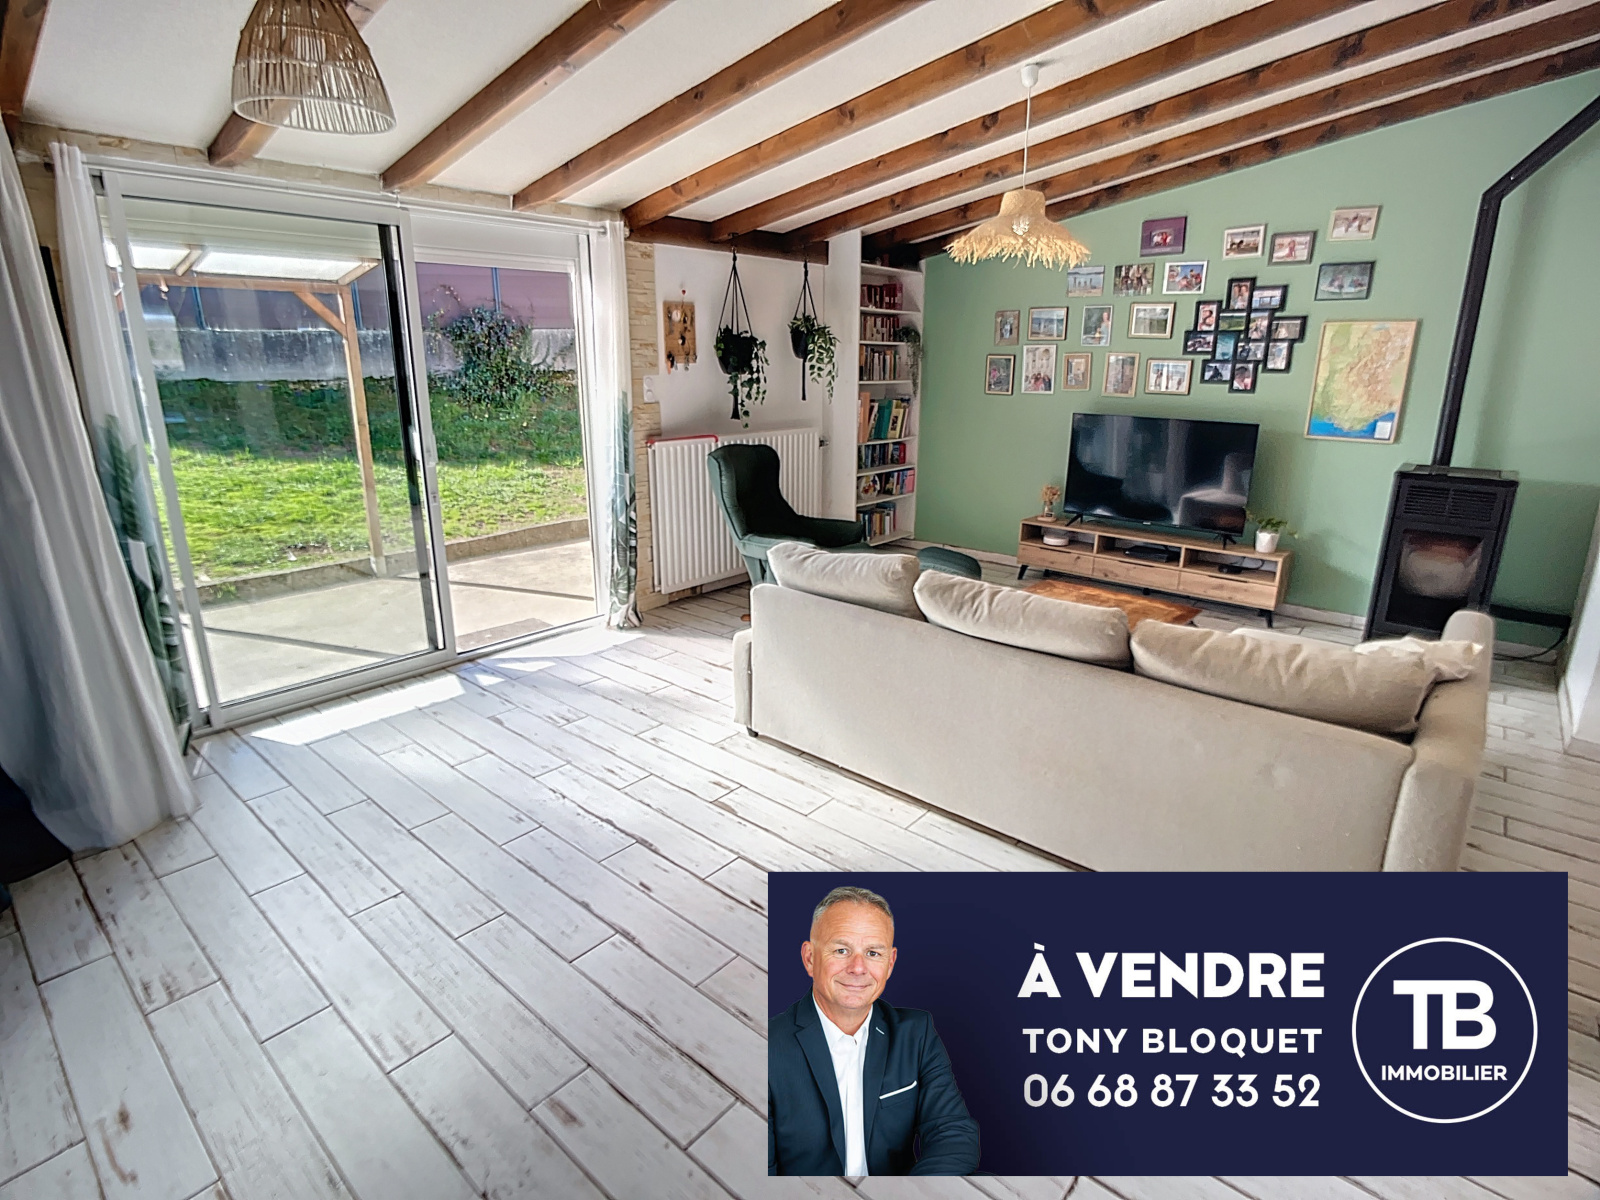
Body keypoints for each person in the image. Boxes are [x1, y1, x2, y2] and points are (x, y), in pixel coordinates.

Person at [768, 886, 980, 1177]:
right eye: (841, 950)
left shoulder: (915, 1034)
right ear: (810, 958)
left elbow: (952, 1131)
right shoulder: (766, 1046)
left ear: (890, 963)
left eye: (873, 953)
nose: (858, 968)